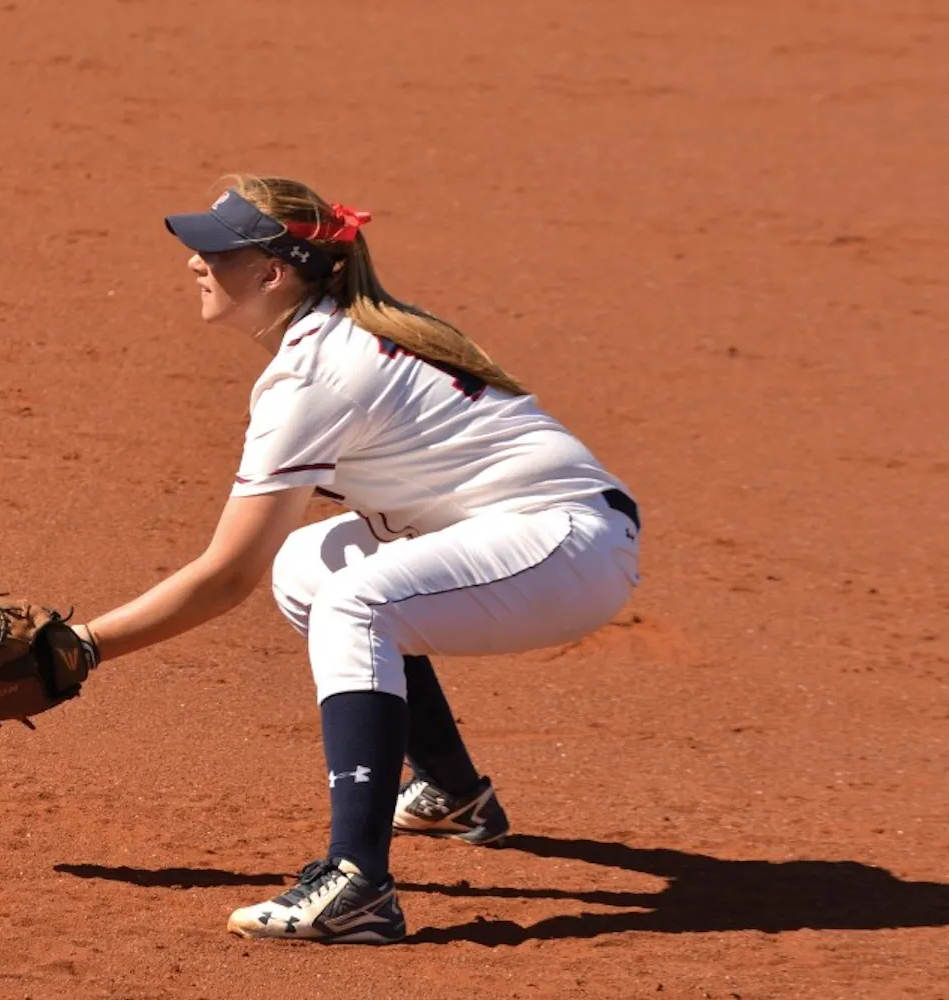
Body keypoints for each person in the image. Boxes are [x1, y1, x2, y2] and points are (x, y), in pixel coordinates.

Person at [69, 175, 642, 944]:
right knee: (310, 567)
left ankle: (357, 884)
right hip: (543, 530)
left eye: (215, 252)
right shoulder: (341, 334)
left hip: (562, 549)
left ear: (272, 274)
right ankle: (451, 791)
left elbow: (226, 575)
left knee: (356, 603)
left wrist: (82, 647)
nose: (195, 263)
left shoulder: (316, 374)